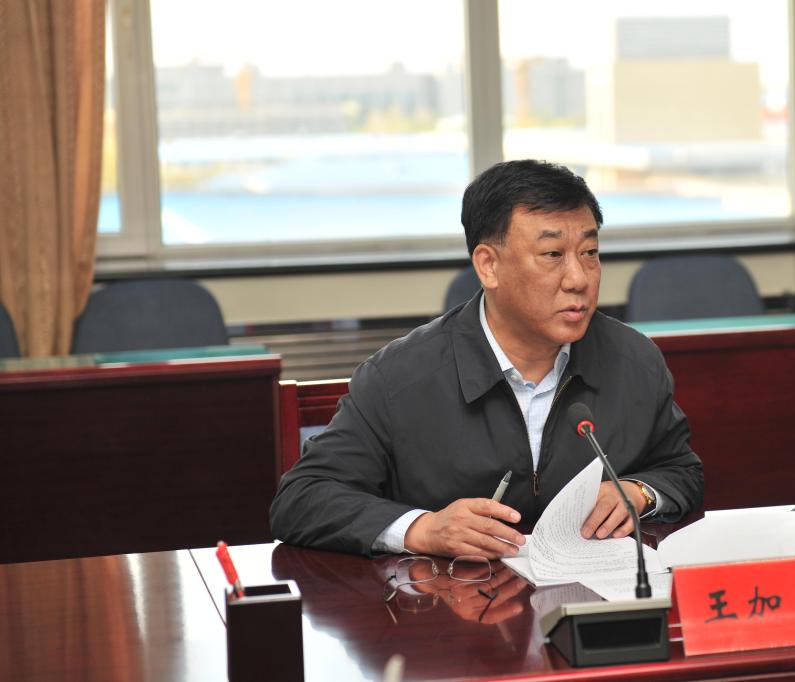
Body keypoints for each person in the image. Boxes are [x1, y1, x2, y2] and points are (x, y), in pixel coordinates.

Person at [270, 159, 704, 558]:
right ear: (488, 266)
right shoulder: (400, 377)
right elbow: (302, 498)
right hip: (452, 603)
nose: (578, 278)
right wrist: (422, 529)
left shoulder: (633, 360)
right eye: (552, 255)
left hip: (594, 596)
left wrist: (640, 492)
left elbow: (681, 470)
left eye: (589, 253)